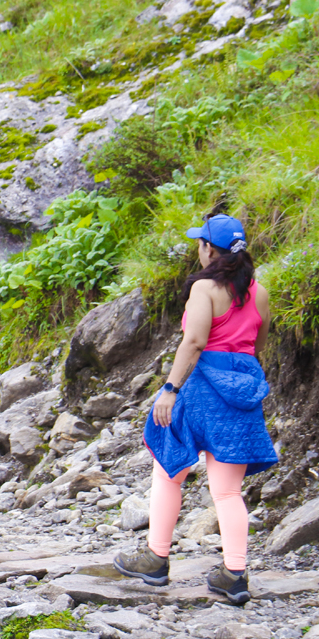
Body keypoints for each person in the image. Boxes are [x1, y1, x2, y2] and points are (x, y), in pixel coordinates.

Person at [113, 214, 278, 605]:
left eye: (199, 244)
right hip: (242, 388)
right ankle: (234, 575)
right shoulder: (259, 292)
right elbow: (258, 344)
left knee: (170, 467)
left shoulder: (204, 288)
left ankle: (156, 558)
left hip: (202, 388)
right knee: (228, 490)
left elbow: (194, 342)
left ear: (208, 249)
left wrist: (170, 389)